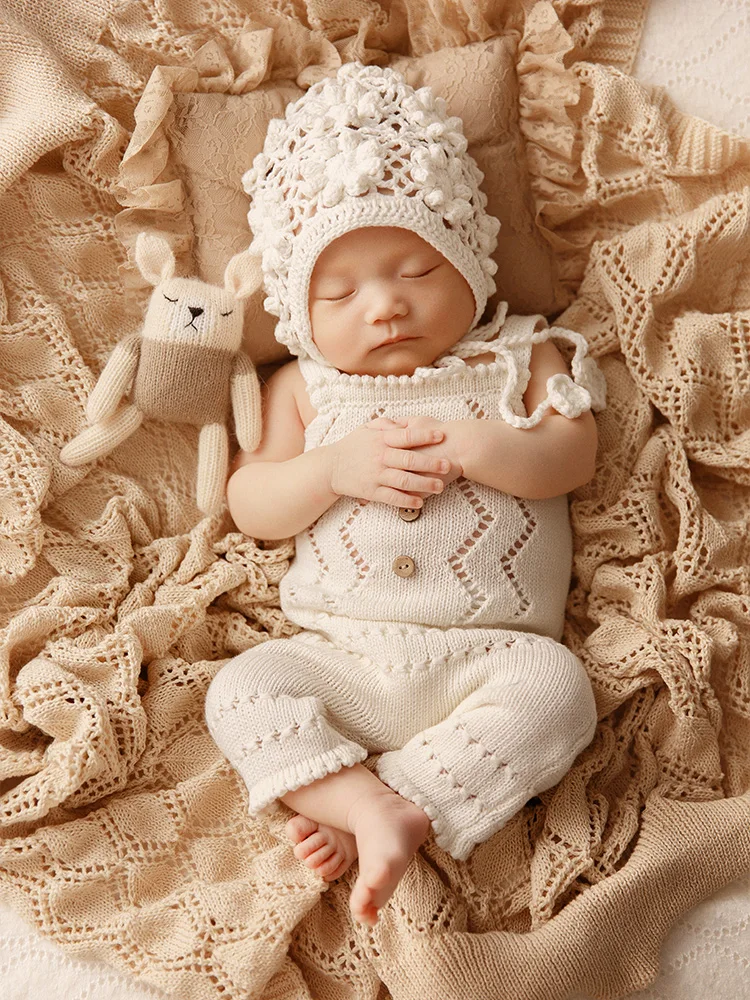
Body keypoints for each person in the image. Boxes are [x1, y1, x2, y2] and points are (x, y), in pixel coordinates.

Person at [205, 61, 606, 928]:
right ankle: (368, 804)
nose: (385, 305)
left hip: (490, 656)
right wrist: (328, 469)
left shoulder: (519, 355)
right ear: (300, 309)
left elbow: (573, 455)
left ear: (468, 262)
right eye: (341, 291)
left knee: (561, 692)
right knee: (241, 687)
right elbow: (252, 503)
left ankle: (386, 800)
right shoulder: (305, 388)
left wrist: (482, 446)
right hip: (344, 658)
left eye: (417, 270)